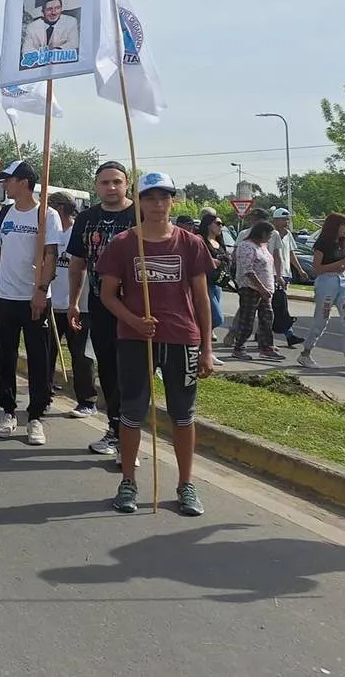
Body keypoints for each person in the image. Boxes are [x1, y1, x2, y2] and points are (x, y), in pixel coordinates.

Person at [97, 171, 216, 516]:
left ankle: (185, 485)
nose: (157, 204)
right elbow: (107, 295)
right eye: (150, 198)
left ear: (172, 201)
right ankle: (129, 481)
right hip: (135, 340)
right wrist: (134, 320)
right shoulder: (122, 243)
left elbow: (202, 299)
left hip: (182, 340)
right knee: (132, 413)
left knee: (183, 415)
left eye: (164, 198)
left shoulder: (190, 243)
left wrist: (207, 348)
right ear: (139, 202)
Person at [0, 160, 62, 446]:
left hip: (34, 299)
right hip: (5, 297)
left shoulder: (46, 214)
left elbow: (51, 255)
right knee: (4, 357)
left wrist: (41, 290)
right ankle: (8, 411)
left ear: (25, 182)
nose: (5, 184)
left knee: (39, 360)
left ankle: (35, 417)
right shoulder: (4, 213)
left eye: (9, 179)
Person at [67, 161, 137, 457]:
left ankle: (131, 432)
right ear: (96, 186)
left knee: (134, 370)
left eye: (117, 182)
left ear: (127, 184)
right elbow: (77, 263)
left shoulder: (141, 214)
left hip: (137, 305)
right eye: (105, 182)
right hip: (100, 303)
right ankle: (115, 428)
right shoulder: (86, 218)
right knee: (108, 368)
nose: (111, 187)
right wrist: (73, 302)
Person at [48, 191, 98, 417]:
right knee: (47, 353)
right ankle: (44, 394)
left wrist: (74, 303)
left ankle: (87, 401)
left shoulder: (80, 232)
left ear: (59, 208)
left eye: (49, 207)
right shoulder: (50, 233)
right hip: (52, 305)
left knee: (81, 357)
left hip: (78, 307)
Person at [298, 212, 345, 378]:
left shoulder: (343, 241)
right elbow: (317, 268)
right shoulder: (323, 242)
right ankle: (305, 353)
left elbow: (343, 264)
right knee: (321, 320)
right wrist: (343, 263)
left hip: (344, 281)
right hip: (326, 282)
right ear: (336, 225)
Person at [227, 221, 285, 362]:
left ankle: (266, 347)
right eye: (269, 234)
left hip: (265, 291)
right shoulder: (246, 246)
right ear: (262, 233)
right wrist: (261, 288)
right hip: (250, 289)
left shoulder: (262, 246)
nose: (270, 238)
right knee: (247, 319)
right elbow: (248, 270)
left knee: (267, 318)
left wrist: (276, 279)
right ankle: (239, 347)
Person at [269, 207, 309, 348]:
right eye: (284, 218)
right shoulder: (270, 234)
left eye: (287, 218)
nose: (287, 221)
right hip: (271, 274)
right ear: (276, 220)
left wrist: (300, 269)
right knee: (276, 306)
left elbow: (291, 254)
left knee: (278, 305)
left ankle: (267, 332)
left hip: (285, 274)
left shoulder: (288, 235)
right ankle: (288, 334)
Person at [197, 213, 230, 364]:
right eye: (218, 223)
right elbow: (195, 257)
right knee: (216, 318)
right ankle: (196, 343)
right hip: (204, 281)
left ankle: (206, 351)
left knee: (210, 318)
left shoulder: (219, 241)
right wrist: (212, 261)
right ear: (209, 224)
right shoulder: (200, 239)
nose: (220, 226)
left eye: (221, 224)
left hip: (218, 282)